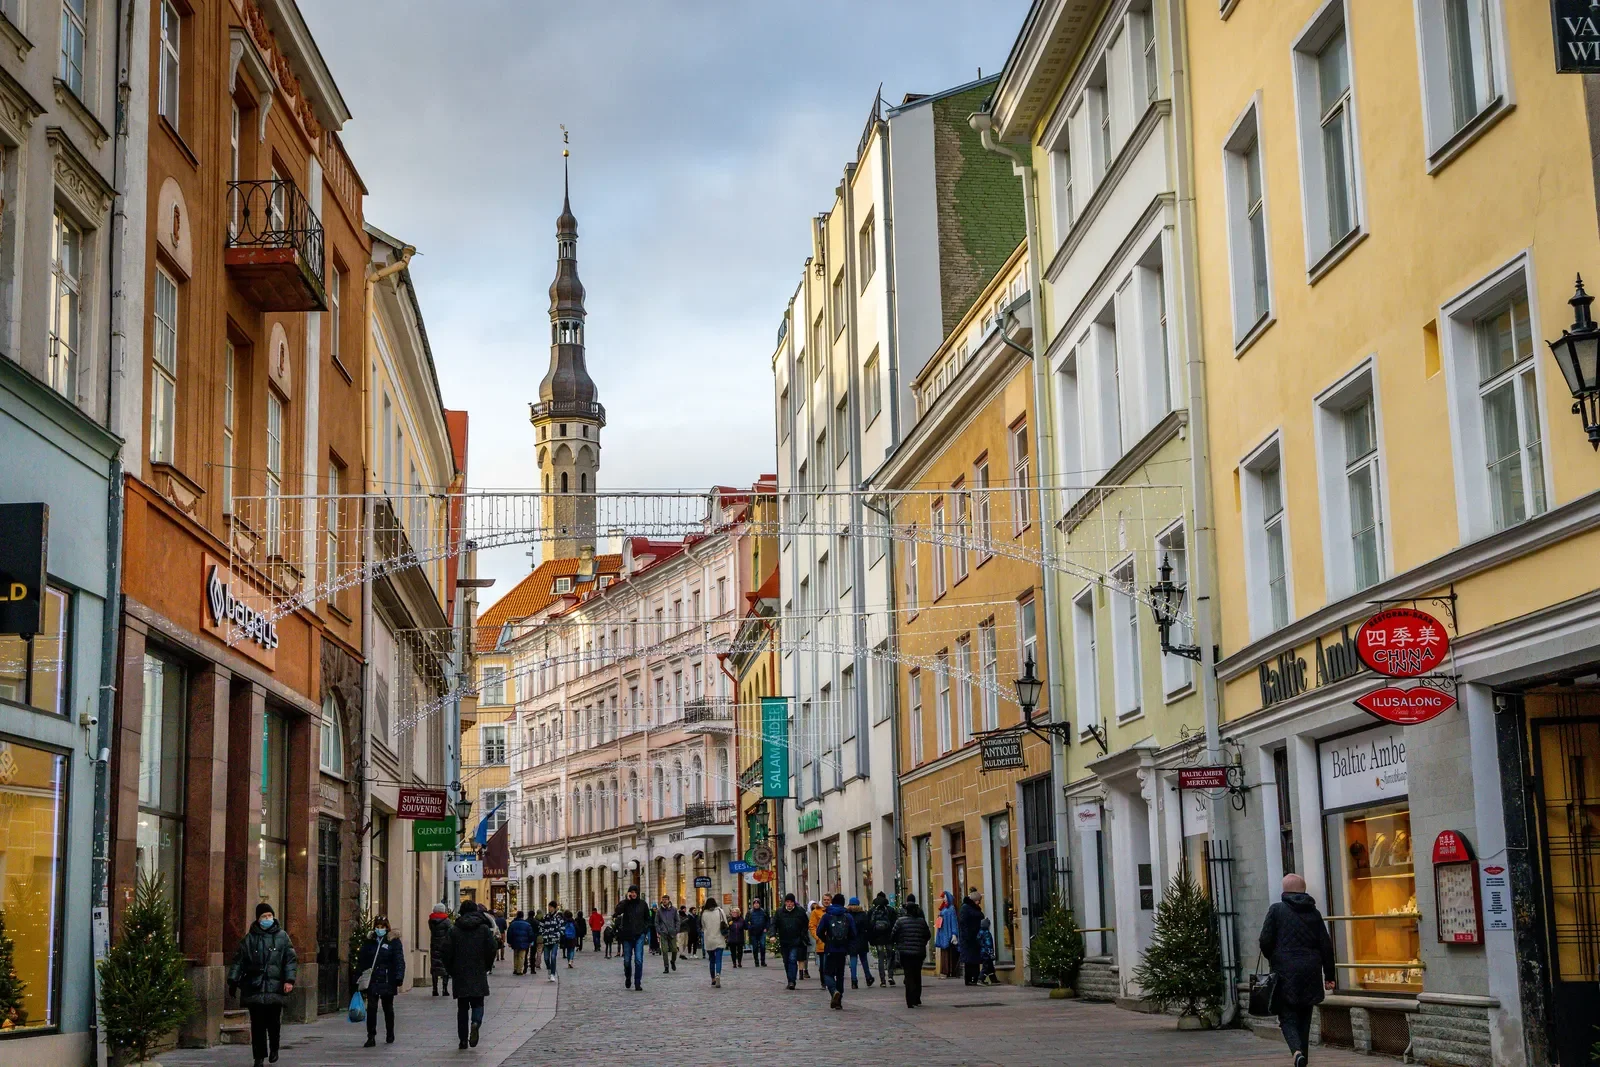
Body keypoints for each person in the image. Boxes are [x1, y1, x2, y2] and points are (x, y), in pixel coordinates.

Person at [1259, 873, 1337, 1067]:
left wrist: (1274, 957)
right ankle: (1303, 1059)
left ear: (1284, 891)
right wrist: (1329, 975)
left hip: (1285, 971)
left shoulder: (1276, 910)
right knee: (1305, 1016)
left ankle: (1296, 1052)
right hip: (1311, 971)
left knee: (1286, 1016)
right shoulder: (1314, 913)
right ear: (1304, 890)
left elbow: (1264, 940)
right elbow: (1326, 946)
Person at [228, 902, 296, 1067]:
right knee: (257, 1025)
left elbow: (290, 960)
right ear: (258, 919)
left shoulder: (282, 937)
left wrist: (289, 980)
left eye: (269, 916)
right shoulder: (249, 939)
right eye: (264, 916)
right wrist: (233, 980)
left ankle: (274, 1048)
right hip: (255, 987)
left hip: (274, 986)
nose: (267, 919)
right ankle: (259, 1057)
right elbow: (239, 961)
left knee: (273, 1022)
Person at [442, 899, 498, 1050]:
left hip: (460, 972)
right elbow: (492, 948)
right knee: (478, 1003)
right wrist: (486, 965)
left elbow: (446, 951)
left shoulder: (454, 930)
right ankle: (475, 1022)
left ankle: (462, 1040)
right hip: (478, 970)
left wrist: (451, 969)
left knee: (462, 1007)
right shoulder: (484, 929)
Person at [353, 913, 405, 1047]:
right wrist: (357, 976)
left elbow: (399, 960)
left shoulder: (393, 941)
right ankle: (371, 1036)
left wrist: (399, 976)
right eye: (377, 926)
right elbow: (362, 961)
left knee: (388, 1008)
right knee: (372, 1008)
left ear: (387, 927)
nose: (379, 928)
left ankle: (390, 1033)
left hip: (388, 979)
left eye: (382, 926)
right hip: (373, 979)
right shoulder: (369, 941)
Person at [890, 896, 932, 1009]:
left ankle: (910, 1000)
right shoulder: (921, 922)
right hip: (919, 952)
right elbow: (928, 935)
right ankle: (917, 998)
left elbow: (893, 935)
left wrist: (900, 943)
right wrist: (921, 943)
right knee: (917, 974)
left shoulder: (900, 921)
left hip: (905, 953)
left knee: (908, 975)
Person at [817, 893, 855, 1009]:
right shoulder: (847, 916)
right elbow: (854, 933)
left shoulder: (827, 915)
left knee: (828, 973)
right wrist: (847, 943)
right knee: (840, 975)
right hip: (842, 950)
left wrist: (826, 940)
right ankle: (838, 1001)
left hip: (830, 948)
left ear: (833, 902)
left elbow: (819, 931)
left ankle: (834, 992)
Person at [613, 884, 652, 991]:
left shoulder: (643, 904)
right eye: (632, 892)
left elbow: (648, 919)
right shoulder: (626, 904)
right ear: (629, 893)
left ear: (638, 893)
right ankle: (628, 977)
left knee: (638, 960)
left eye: (635, 892)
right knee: (627, 961)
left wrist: (644, 930)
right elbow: (617, 911)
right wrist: (626, 900)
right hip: (627, 936)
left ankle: (637, 982)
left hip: (639, 935)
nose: (634, 894)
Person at [772, 893, 810, 990]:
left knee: (792, 959)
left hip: (796, 940)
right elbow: (774, 924)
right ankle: (790, 979)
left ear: (794, 903)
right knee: (786, 961)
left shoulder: (800, 911)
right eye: (787, 902)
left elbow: (806, 924)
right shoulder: (780, 912)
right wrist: (772, 935)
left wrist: (802, 934)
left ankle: (792, 981)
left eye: (791, 902)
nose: (789, 904)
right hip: (784, 940)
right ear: (785, 902)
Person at [867, 892, 898, 987]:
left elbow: (869, 926)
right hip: (889, 937)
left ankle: (882, 980)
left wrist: (871, 939)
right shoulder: (890, 910)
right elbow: (895, 924)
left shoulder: (872, 910)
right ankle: (890, 976)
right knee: (890, 956)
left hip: (877, 937)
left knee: (880, 958)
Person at [845, 897, 874, 989]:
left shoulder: (847, 914)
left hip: (851, 940)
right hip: (862, 940)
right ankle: (868, 977)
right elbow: (868, 927)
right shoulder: (863, 914)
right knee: (864, 960)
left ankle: (854, 981)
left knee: (853, 960)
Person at [958, 888, 985, 985]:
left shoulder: (971, 907)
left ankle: (974, 978)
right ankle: (970, 979)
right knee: (970, 960)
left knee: (974, 960)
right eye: (978, 900)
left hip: (974, 937)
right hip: (969, 938)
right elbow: (963, 923)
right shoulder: (966, 908)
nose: (979, 902)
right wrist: (967, 936)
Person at [701, 897, 728, 987]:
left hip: (709, 939)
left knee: (712, 960)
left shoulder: (704, 913)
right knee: (718, 959)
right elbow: (725, 923)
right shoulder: (720, 911)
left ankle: (712, 978)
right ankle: (718, 975)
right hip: (719, 938)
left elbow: (703, 926)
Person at [427, 903, 452, 996]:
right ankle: (445, 989)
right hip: (444, 946)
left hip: (434, 945)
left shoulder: (431, 920)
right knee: (445, 967)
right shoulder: (447, 921)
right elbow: (450, 932)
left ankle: (435, 989)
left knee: (435, 967)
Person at [935, 891, 958, 978]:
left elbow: (953, 921)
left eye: (944, 897)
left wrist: (954, 933)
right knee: (944, 952)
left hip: (947, 932)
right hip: (943, 932)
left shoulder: (951, 909)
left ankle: (948, 971)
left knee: (948, 953)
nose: (943, 899)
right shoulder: (945, 908)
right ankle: (945, 971)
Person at [656, 895, 681, 973]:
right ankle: (666, 967)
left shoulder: (673, 910)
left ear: (668, 900)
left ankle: (673, 961)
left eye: (666, 900)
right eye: (663, 900)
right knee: (664, 951)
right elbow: (656, 922)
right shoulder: (659, 911)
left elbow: (677, 920)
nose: (664, 901)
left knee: (674, 949)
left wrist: (676, 929)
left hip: (672, 932)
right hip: (663, 933)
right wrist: (659, 931)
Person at [538, 902, 562, 982]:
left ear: (554, 908)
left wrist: (558, 934)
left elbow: (562, 927)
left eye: (551, 907)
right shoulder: (545, 917)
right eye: (549, 907)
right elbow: (540, 926)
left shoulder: (558, 917)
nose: (549, 908)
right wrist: (543, 934)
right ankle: (549, 968)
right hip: (546, 941)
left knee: (553, 957)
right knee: (546, 958)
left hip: (554, 941)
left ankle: (552, 974)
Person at [506, 911, 534, 977]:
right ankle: (519, 970)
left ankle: (515, 969)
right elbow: (530, 934)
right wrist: (530, 942)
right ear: (523, 916)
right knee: (521, 956)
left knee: (515, 955)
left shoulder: (513, 924)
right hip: (524, 942)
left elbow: (509, 933)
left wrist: (509, 942)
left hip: (515, 942)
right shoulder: (527, 924)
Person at [745, 900, 769, 967]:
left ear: (759, 904)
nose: (756, 905)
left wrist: (766, 928)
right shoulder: (750, 912)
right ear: (753, 905)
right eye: (755, 903)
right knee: (755, 947)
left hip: (762, 932)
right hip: (753, 932)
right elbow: (746, 922)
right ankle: (756, 961)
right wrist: (750, 927)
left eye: (757, 903)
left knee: (762, 946)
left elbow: (768, 921)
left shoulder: (763, 911)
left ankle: (763, 961)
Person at [808, 900, 827, 987]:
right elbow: (812, 926)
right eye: (824, 900)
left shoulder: (833, 911)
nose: (826, 901)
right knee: (822, 964)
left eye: (828, 900)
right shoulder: (816, 912)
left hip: (833, 942)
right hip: (821, 942)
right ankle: (823, 981)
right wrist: (817, 937)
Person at [977, 916, 998, 985]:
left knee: (990, 966)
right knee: (986, 967)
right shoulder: (987, 933)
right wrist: (991, 953)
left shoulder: (980, 933)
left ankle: (993, 979)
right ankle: (981, 979)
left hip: (982, 952)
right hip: (986, 953)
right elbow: (988, 944)